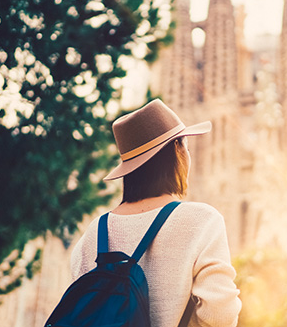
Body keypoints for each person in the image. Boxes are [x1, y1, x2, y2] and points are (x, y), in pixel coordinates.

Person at [70, 99, 242, 327]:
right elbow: (220, 314)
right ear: (177, 153)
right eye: (185, 147)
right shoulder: (202, 221)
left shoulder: (93, 234)